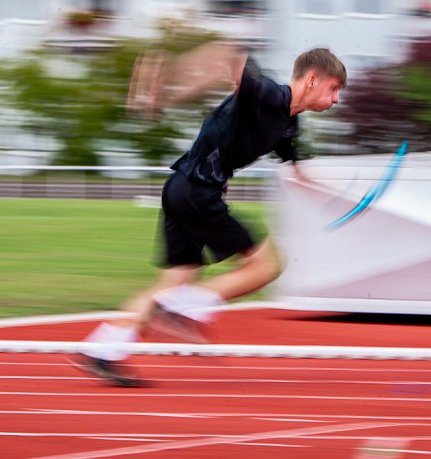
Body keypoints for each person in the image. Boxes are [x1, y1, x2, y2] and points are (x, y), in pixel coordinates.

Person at [77, 42, 347, 387]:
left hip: (181, 190)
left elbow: (297, 167)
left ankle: (104, 349)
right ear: (311, 79)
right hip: (196, 192)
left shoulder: (290, 125)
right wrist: (171, 82)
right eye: (334, 88)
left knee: (172, 283)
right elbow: (227, 56)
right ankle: (184, 307)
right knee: (267, 267)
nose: (336, 99)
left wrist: (329, 190)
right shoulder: (268, 94)